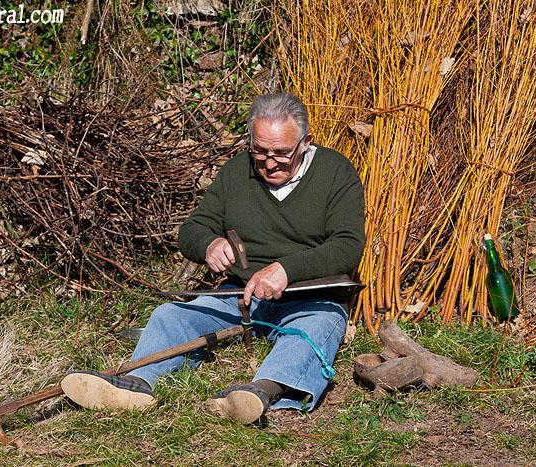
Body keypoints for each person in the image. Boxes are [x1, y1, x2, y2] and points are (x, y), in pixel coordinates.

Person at [61, 93, 366, 424]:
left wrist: (287, 270)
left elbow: (347, 246)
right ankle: (136, 384)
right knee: (170, 315)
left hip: (310, 297)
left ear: (305, 142)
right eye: (260, 151)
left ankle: (259, 393)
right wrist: (208, 244)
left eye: (281, 153)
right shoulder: (237, 172)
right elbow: (192, 230)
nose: (269, 162)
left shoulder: (335, 173)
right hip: (239, 296)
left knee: (314, 330)